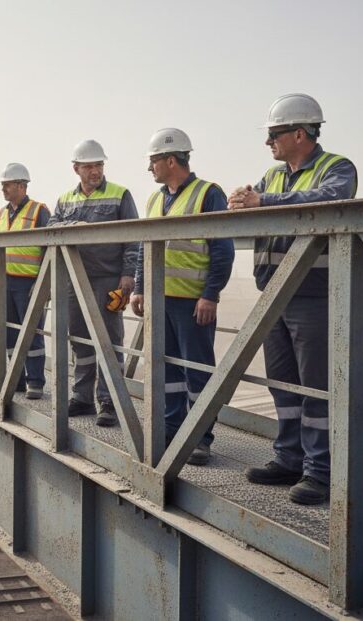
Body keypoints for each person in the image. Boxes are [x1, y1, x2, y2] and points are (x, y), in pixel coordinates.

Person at [228, 93, 358, 505]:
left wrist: (263, 201)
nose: (269, 143)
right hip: (275, 294)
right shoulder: (272, 177)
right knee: (283, 384)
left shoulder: (336, 168)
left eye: (275, 134)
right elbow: (264, 210)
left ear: (300, 133)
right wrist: (242, 205)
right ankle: (289, 459)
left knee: (317, 387)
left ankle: (320, 473)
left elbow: (330, 200)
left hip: (314, 295)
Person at [131, 128, 234, 466]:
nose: (150, 168)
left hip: (193, 303)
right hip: (160, 302)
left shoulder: (209, 194)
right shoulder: (156, 199)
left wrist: (211, 294)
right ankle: (172, 429)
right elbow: (147, 247)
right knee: (167, 370)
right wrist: (139, 287)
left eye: (154, 161)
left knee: (197, 371)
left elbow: (222, 249)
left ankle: (201, 438)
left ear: (171, 160)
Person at [49, 140, 139, 426]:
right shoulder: (65, 200)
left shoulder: (120, 194)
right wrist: (72, 226)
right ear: (76, 169)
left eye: (99, 165)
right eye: (89, 166)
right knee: (80, 339)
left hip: (109, 278)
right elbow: (51, 227)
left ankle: (110, 403)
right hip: (75, 280)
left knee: (110, 341)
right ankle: (83, 397)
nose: (95, 171)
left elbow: (133, 235)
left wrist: (128, 274)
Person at [0, 163, 49, 399]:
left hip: (29, 282)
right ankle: (15, 379)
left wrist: (43, 281)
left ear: (22, 185)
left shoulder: (39, 211)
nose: (3, 189)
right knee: (10, 333)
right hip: (6, 281)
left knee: (32, 332)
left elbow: (49, 248)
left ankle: (35, 381)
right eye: (3, 185)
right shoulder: (1, 214)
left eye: (7, 184)